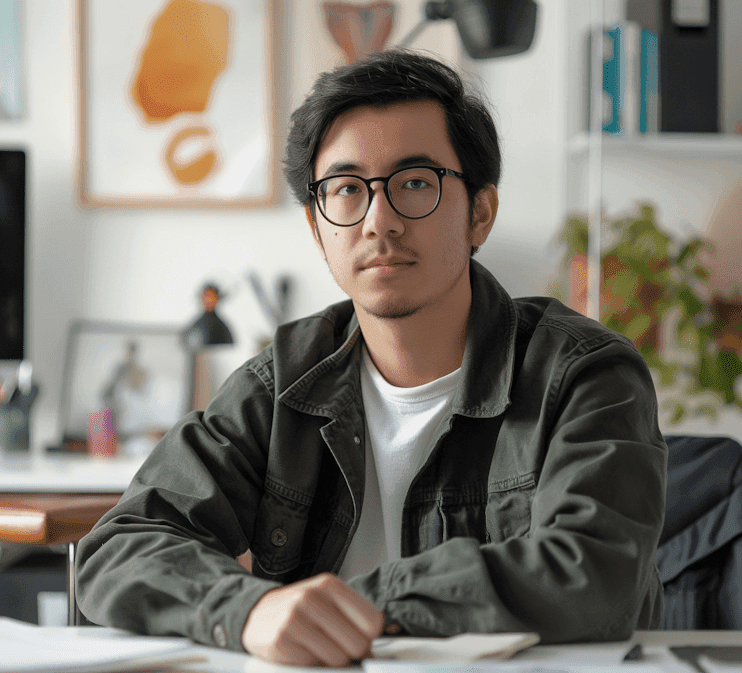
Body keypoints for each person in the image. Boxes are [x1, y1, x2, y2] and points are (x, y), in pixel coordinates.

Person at [76, 50, 668, 666]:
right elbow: (120, 546)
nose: (378, 221)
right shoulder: (285, 379)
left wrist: (352, 606)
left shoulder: (583, 374)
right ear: (316, 226)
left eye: (415, 182)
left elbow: (594, 577)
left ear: (481, 213)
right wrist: (247, 610)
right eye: (347, 190)